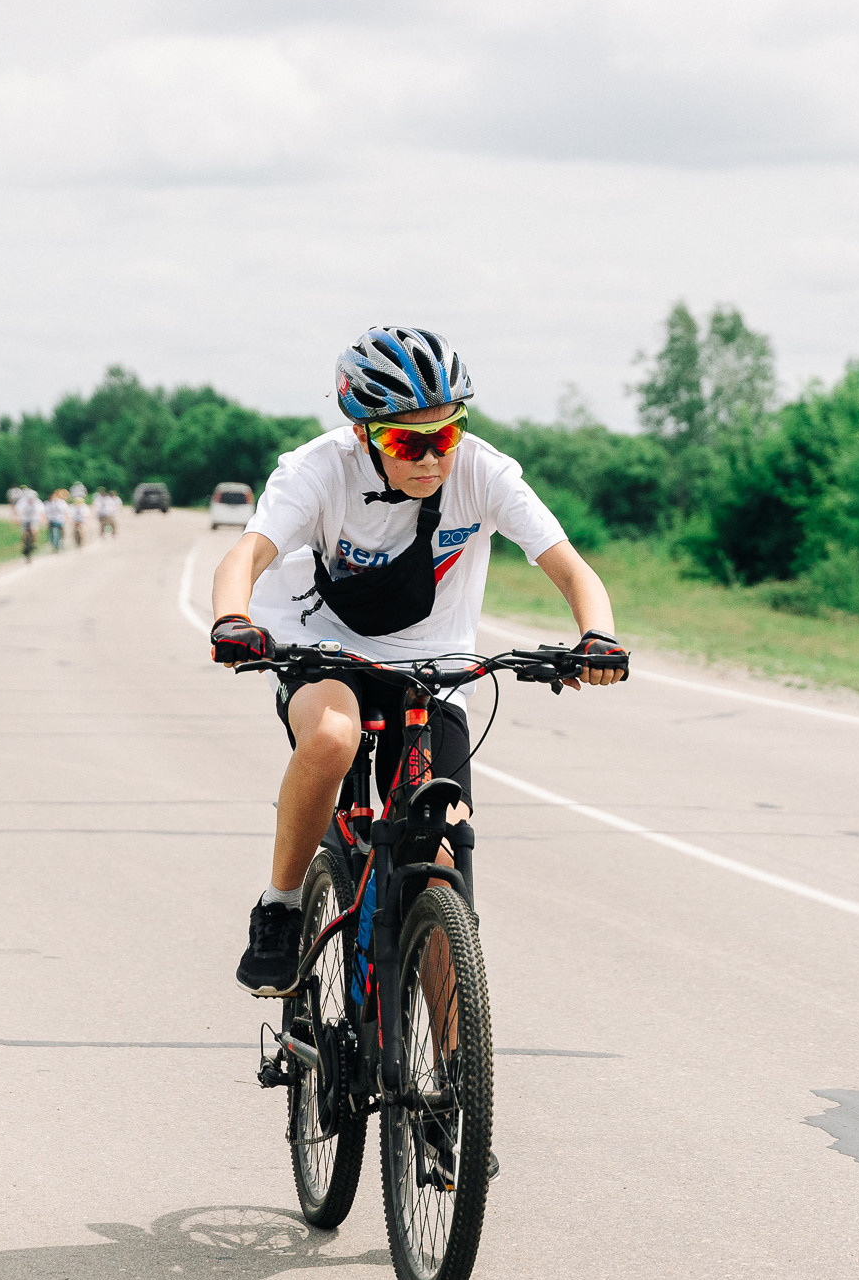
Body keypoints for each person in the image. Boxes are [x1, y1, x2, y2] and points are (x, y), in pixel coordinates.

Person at [209, 325, 629, 995]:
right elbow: (248, 554)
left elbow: (573, 568)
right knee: (332, 736)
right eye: (408, 441)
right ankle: (281, 908)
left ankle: (452, 1081)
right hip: (322, 645)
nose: (432, 458)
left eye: (447, 434)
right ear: (364, 433)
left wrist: (597, 636)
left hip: (435, 666)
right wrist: (234, 618)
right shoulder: (317, 470)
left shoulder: (484, 471)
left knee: (438, 858)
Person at [12, 485, 41, 559]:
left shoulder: (37, 502)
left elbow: (40, 512)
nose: (30, 500)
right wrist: (16, 518)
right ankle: (24, 545)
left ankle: (34, 542)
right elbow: (18, 511)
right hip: (24, 519)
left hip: (33, 518)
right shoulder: (22, 502)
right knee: (24, 533)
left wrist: (41, 519)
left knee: (34, 530)